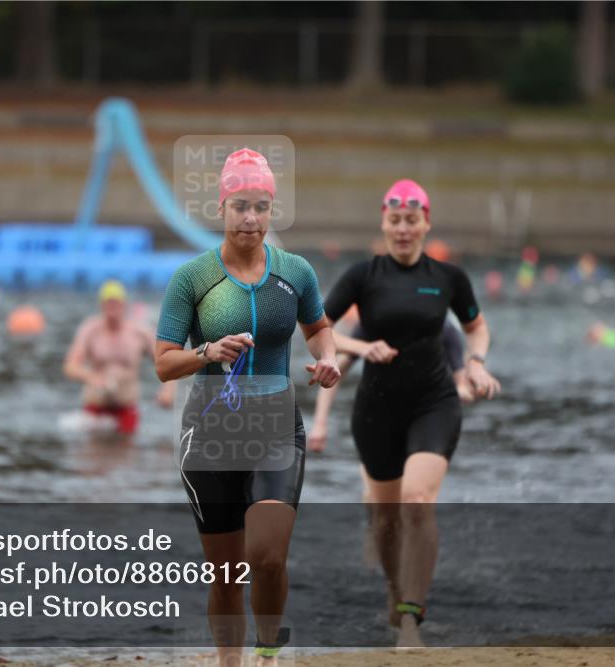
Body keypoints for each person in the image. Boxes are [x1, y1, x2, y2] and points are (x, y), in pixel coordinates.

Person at [154, 148, 340, 666]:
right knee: (228, 575)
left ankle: (268, 650)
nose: (251, 218)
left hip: (276, 425)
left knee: (267, 557)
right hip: (210, 434)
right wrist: (208, 352)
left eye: (261, 206)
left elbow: (321, 329)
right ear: (223, 208)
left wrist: (328, 360)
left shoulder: (295, 272)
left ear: (272, 210)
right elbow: (163, 365)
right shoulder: (192, 278)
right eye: (240, 206)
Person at [322, 179, 500, 647]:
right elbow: (318, 330)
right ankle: (395, 590)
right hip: (376, 409)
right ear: (384, 222)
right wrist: (362, 345)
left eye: (411, 220)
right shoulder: (363, 276)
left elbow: (476, 329)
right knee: (384, 520)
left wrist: (476, 364)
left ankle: (410, 618)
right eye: (395, 220)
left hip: (433, 402)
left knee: (417, 501)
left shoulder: (448, 278)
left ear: (426, 223)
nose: (403, 229)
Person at [309, 316, 475, 501]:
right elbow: (336, 371)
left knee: (416, 498)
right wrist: (320, 423)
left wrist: (465, 390)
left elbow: (460, 380)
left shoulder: (442, 326)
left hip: (424, 417)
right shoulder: (372, 323)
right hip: (378, 417)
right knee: (378, 502)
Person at [64, 280, 175, 436]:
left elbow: (169, 364)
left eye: (115, 303)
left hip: (126, 408)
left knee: (126, 454)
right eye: (108, 304)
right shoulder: (90, 330)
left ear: (124, 305)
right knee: (92, 456)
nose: (112, 308)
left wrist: (167, 391)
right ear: (101, 305)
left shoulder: (139, 333)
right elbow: (70, 367)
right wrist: (92, 377)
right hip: (95, 407)